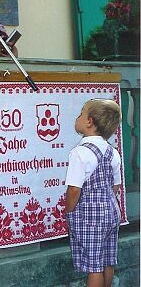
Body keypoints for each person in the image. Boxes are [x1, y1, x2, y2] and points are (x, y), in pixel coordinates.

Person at [65, 99, 122, 287]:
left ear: (89, 121)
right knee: (107, 259)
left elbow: (74, 189)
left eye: (81, 114)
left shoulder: (79, 153)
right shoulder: (113, 152)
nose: (77, 117)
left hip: (90, 216)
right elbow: (115, 186)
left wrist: (70, 211)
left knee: (94, 265)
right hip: (111, 211)